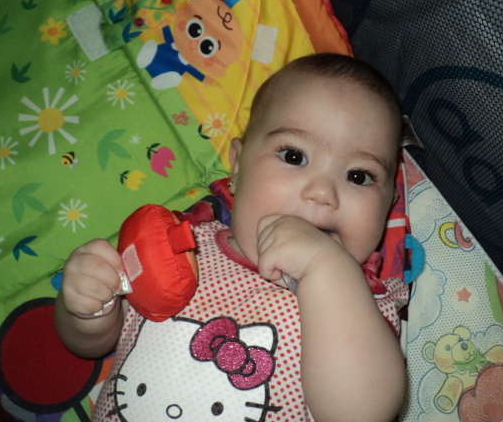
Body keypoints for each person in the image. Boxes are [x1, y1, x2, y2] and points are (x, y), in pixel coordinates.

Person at [55, 53, 408, 422]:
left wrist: (326, 267)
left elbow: (359, 413)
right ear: (237, 167)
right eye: (294, 156)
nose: (322, 192)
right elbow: (92, 345)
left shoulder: (358, 303)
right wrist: (90, 307)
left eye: (358, 176)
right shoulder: (181, 246)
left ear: (388, 205)